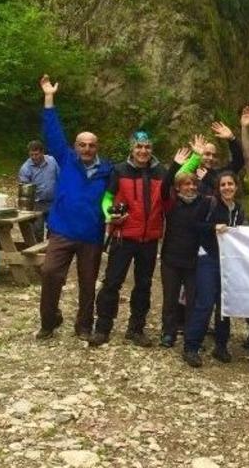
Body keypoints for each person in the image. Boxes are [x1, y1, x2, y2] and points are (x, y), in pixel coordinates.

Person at [35, 75, 113, 341]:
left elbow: (118, 193)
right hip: (62, 231)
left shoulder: (107, 170)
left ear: (97, 147)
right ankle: (49, 320)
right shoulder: (66, 159)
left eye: (91, 145)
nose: (87, 148)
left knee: (88, 283)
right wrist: (49, 97)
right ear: (76, 146)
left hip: (91, 234)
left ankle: (83, 326)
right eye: (82, 144)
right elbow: (52, 132)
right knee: (49, 273)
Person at [89, 130, 166, 347]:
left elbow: (180, 177)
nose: (143, 151)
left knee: (144, 284)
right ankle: (102, 327)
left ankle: (136, 328)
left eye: (147, 147)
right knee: (112, 282)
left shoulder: (160, 171)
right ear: (132, 149)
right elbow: (107, 198)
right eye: (139, 147)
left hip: (149, 239)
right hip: (124, 236)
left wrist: (196, 157)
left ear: (151, 150)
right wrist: (110, 214)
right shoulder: (119, 170)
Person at [182, 170, 246, 367]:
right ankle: (191, 346)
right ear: (218, 188)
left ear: (236, 186)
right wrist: (212, 227)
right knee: (206, 302)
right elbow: (193, 224)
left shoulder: (239, 210)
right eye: (223, 185)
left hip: (228, 261)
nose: (227, 187)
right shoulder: (209, 203)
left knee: (224, 303)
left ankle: (221, 345)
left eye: (230, 184)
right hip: (208, 257)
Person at [155, 144, 211, 349]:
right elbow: (164, 187)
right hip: (171, 258)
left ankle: (191, 333)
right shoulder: (170, 203)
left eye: (193, 184)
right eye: (186, 184)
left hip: (193, 259)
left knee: (192, 300)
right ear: (178, 188)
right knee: (170, 299)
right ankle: (168, 333)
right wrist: (175, 165)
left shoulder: (203, 203)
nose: (190, 187)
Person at [179, 121, 245, 196]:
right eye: (207, 154)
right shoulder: (189, 173)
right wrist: (195, 156)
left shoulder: (220, 174)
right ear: (199, 153)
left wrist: (232, 139)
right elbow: (176, 179)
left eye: (214, 156)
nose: (211, 158)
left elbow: (239, 161)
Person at [17, 140, 59, 242]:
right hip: (36, 204)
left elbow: (61, 177)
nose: (34, 157)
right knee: (37, 231)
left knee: (55, 229)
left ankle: (51, 252)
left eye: (36, 154)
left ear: (42, 152)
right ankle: (37, 253)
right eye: (32, 155)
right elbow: (24, 192)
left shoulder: (52, 161)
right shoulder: (25, 168)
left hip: (53, 201)